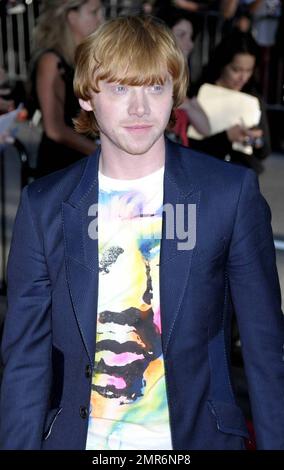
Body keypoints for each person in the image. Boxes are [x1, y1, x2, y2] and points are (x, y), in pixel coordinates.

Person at [0, 15, 283, 451]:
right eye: (119, 88)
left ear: (175, 94)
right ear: (88, 97)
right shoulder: (44, 207)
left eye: (155, 87)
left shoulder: (229, 194)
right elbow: (25, 361)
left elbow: (266, 350)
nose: (140, 108)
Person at [30, 0, 103, 177]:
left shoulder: (87, 58)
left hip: (88, 160)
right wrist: (101, 153)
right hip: (62, 165)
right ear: (71, 17)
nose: (101, 19)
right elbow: (54, 129)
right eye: (94, 13)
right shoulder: (51, 61)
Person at [190, 30, 271, 173]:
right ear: (222, 64)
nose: (243, 77)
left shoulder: (253, 99)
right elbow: (188, 144)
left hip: (240, 173)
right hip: (203, 170)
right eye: (236, 70)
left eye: (249, 71)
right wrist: (226, 137)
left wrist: (256, 140)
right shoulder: (200, 92)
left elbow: (264, 151)